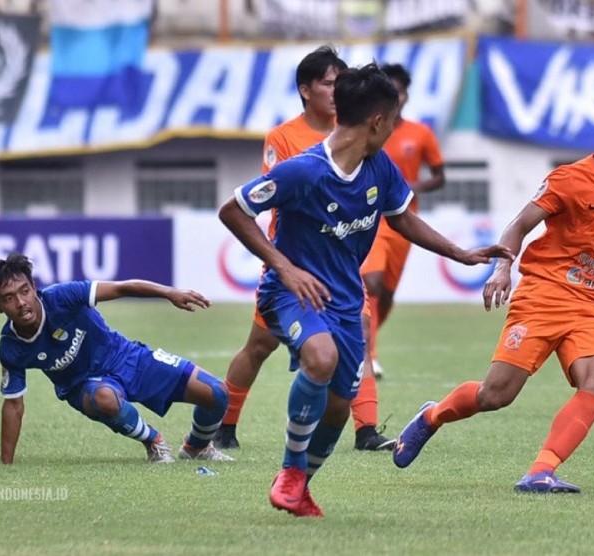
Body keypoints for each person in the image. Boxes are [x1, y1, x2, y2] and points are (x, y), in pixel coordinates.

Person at [218, 63, 509, 517]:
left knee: (337, 409)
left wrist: (459, 253)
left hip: (345, 300)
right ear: (377, 122)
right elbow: (233, 211)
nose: (396, 128)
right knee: (320, 357)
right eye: (393, 120)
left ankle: (302, 486)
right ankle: (290, 472)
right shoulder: (303, 171)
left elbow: (402, 217)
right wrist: (284, 267)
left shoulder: (380, 167)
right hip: (290, 292)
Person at [392, 85, 594, 493]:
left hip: (591, 305)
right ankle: (433, 416)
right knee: (496, 395)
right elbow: (519, 226)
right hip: (543, 295)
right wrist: (503, 269)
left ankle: (541, 471)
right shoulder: (569, 180)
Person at [213, 45, 395, 453]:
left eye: (340, 82)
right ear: (306, 89)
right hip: (295, 261)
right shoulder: (286, 139)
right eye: (328, 82)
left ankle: (366, 430)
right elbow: (273, 193)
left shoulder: (360, 134)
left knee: (358, 334)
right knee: (260, 345)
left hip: (341, 261)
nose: (336, 89)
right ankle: (224, 424)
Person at [0, 253, 233, 465]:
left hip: (128, 357)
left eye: (24, 291)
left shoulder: (63, 296)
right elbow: (13, 405)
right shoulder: (11, 347)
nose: (21, 302)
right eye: (8, 298)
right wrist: (7, 465)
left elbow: (122, 287)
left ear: (34, 288)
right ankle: (153, 441)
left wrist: (169, 292)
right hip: (84, 387)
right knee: (105, 399)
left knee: (217, 392)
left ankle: (197, 447)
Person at [361, 63, 445, 378]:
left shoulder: (421, 133)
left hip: (404, 218)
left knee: (388, 292)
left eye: (399, 91)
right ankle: (368, 354)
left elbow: (440, 177)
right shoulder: (366, 129)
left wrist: (413, 186)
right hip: (370, 217)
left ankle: (365, 341)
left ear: (406, 96)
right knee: (372, 282)